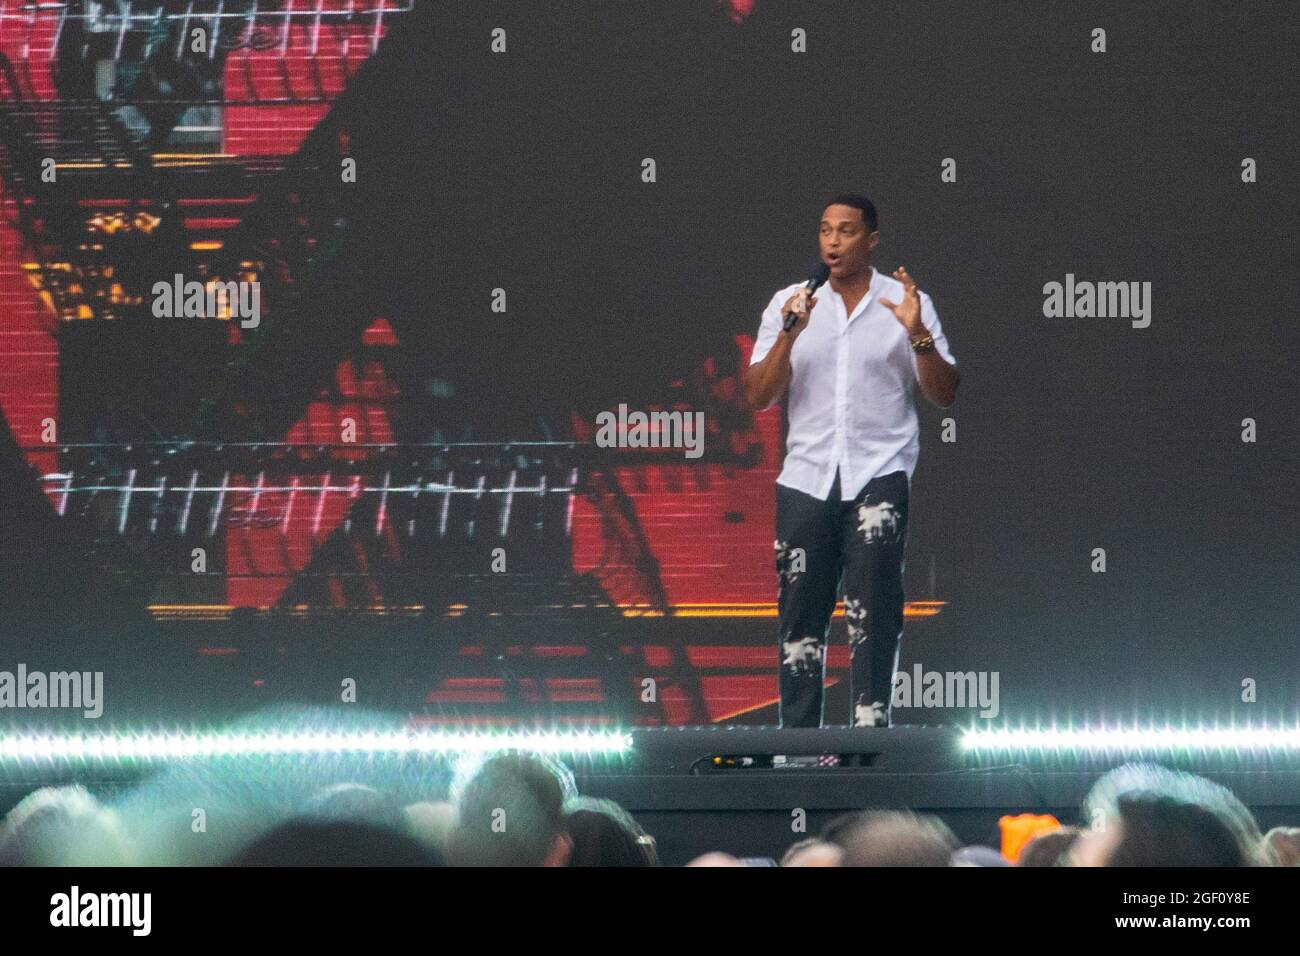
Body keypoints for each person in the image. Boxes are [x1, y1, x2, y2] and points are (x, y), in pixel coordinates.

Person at [745, 193, 958, 728]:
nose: (833, 242)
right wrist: (790, 333)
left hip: (877, 474)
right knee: (799, 617)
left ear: (871, 240)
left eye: (845, 231)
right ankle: (796, 744)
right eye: (824, 231)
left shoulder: (905, 302)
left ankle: (870, 739)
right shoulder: (789, 303)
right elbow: (758, 395)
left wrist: (918, 334)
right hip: (806, 479)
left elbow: (944, 392)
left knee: (874, 609)